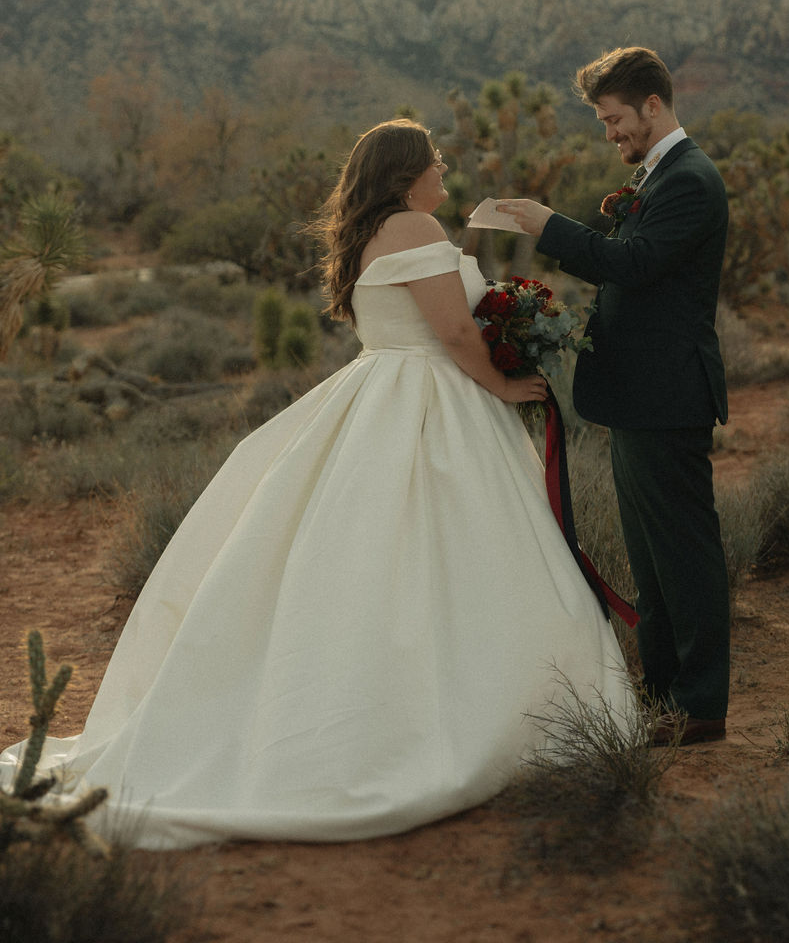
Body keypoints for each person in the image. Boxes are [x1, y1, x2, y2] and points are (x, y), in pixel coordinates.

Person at [0, 120, 632, 847]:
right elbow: (454, 335)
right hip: (434, 399)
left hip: (384, 389)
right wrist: (501, 380)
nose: (444, 170)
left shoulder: (370, 234)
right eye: (434, 161)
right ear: (405, 174)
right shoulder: (418, 224)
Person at [497, 47, 730, 747]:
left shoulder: (689, 180)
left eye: (616, 119)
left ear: (653, 105)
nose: (611, 133)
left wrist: (547, 225)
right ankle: (664, 696)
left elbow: (633, 263)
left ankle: (700, 705)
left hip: (666, 396)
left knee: (683, 554)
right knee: (653, 557)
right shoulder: (655, 178)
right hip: (638, 395)